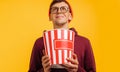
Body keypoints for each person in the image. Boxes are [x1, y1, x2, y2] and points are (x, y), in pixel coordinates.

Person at [28, 0, 96, 72]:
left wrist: (77, 69)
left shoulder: (84, 42)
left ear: (70, 16)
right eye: (54, 9)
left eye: (63, 9)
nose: (59, 11)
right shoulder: (40, 42)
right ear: (50, 16)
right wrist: (44, 70)